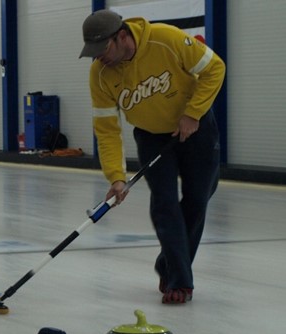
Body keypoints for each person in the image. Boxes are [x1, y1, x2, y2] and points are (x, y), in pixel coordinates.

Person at [79, 10, 225, 304]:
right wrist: (116, 177)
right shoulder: (100, 74)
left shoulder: (166, 39)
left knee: (198, 198)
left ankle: (168, 262)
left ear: (122, 36)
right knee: (165, 204)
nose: (99, 59)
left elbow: (215, 68)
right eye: (93, 53)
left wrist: (192, 113)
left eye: (103, 50)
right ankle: (180, 280)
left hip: (195, 127)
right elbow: (107, 130)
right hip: (151, 136)